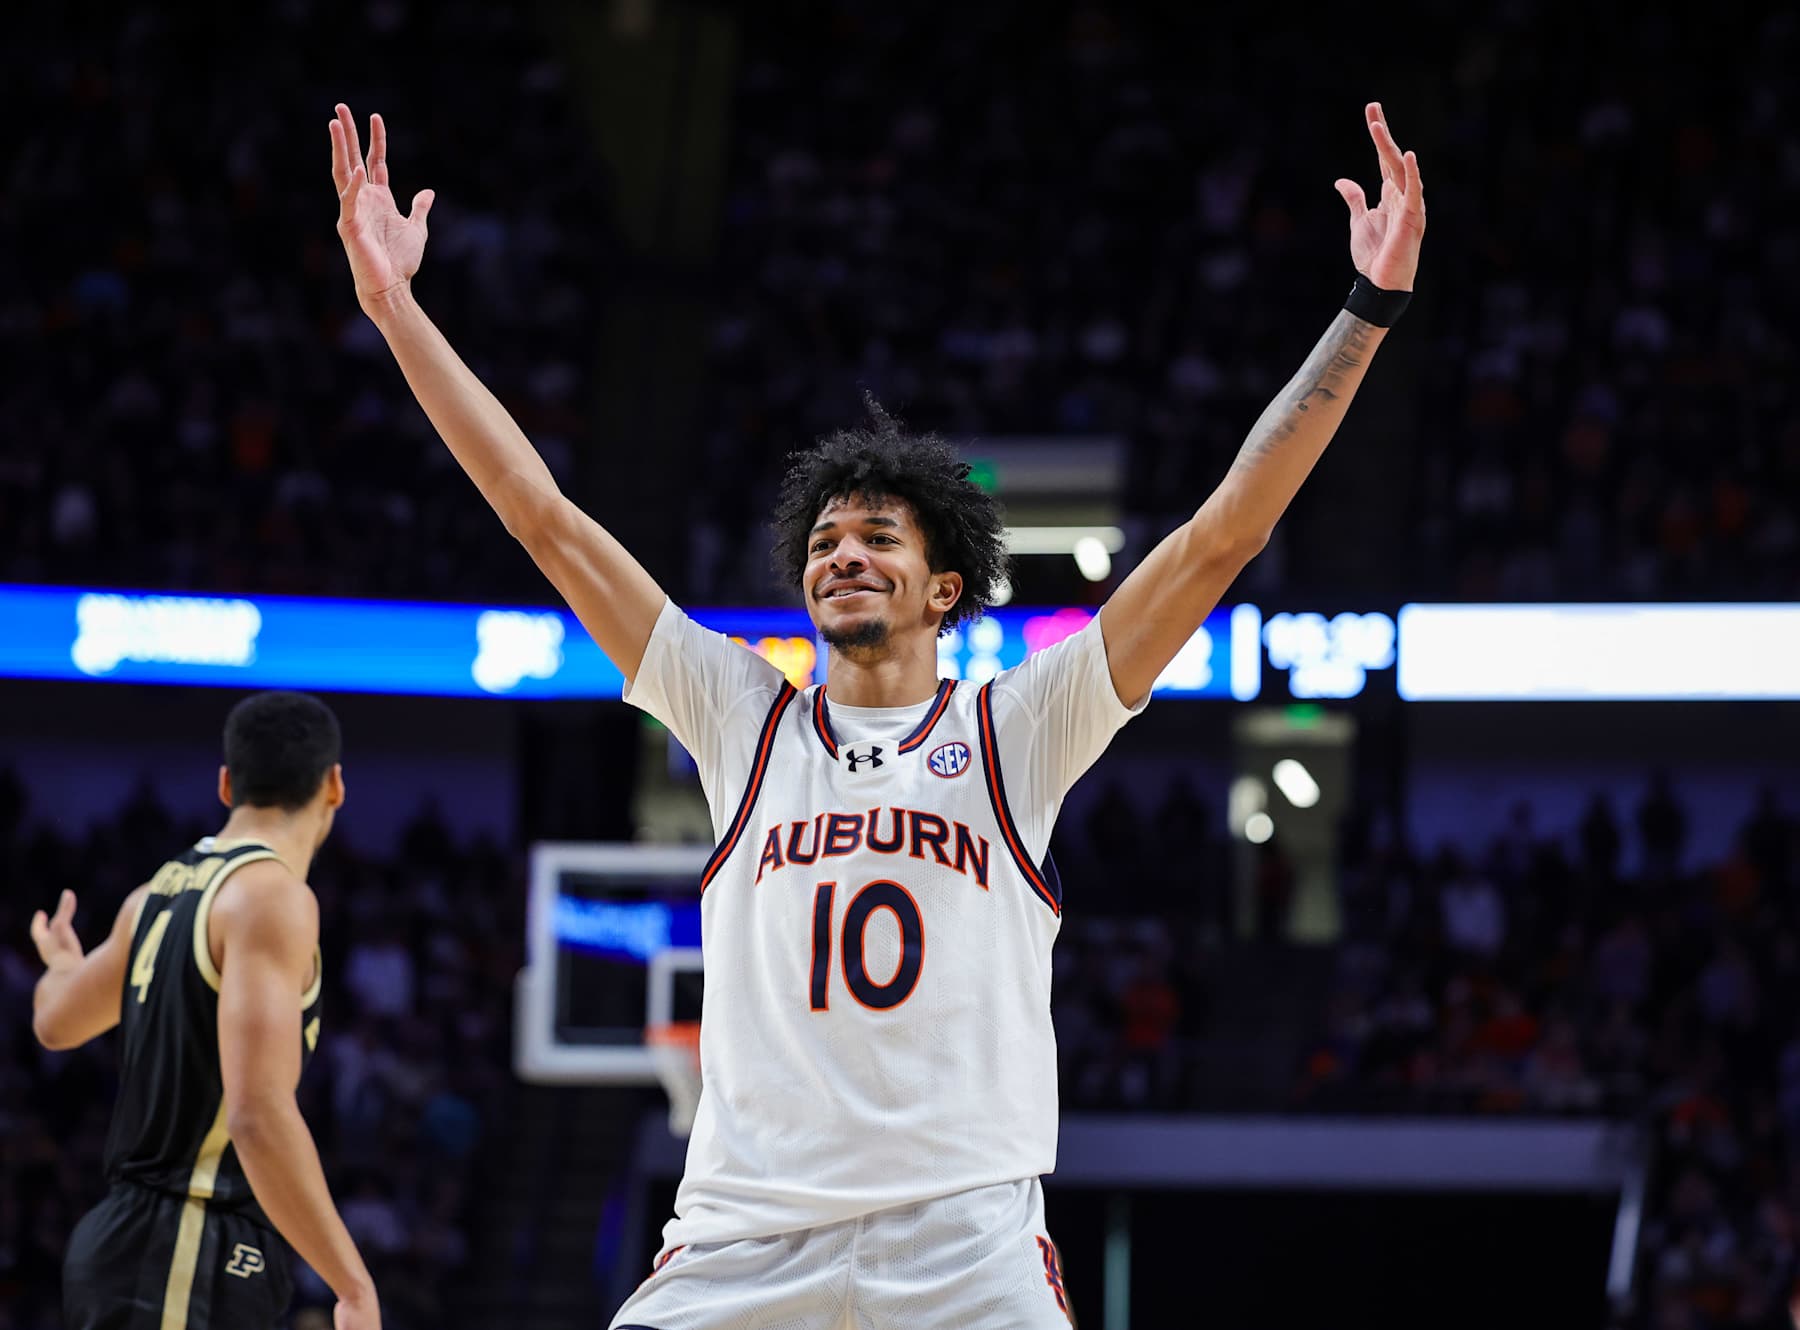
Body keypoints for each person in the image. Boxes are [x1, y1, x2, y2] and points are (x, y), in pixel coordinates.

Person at [329, 97, 1424, 1327]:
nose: (841, 554)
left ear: (945, 584)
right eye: (825, 539)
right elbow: (543, 516)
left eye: (876, 536)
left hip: (964, 1248)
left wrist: (1367, 309)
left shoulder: (1021, 728)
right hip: (745, 1238)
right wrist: (397, 313)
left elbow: (1223, 534)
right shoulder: (739, 715)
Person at [29, 691, 380, 1330]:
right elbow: (256, 1113)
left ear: (226, 784)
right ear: (334, 786)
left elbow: (56, 1023)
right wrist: (352, 1284)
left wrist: (59, 965)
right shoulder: (272, 896)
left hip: (133, 1240)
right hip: (184, 1236)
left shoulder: (153, 895)